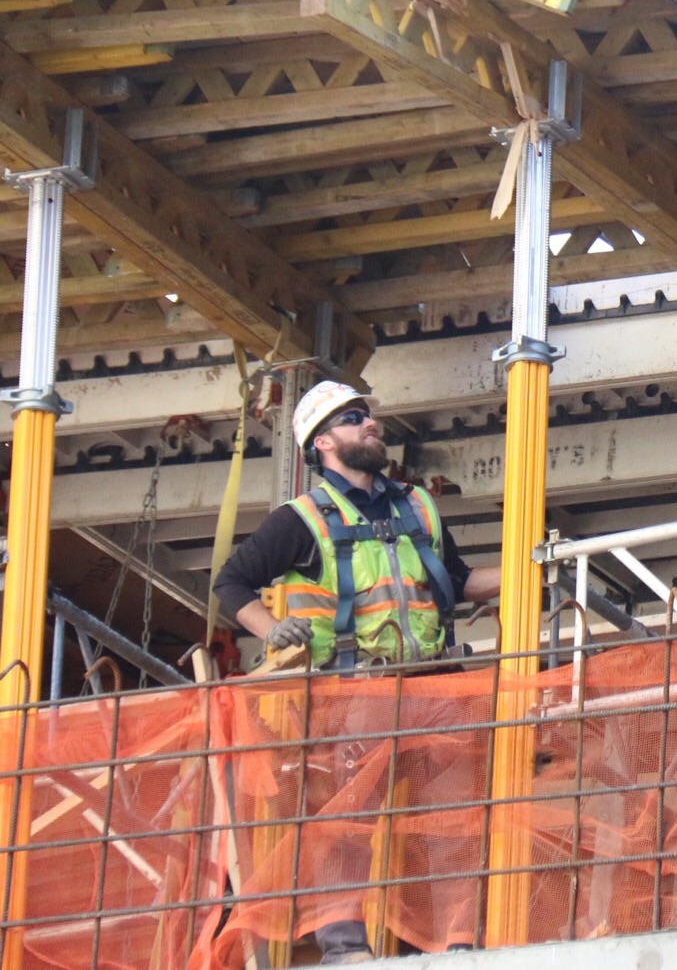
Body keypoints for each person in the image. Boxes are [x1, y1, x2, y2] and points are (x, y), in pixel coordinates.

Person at [214, 380, 502, 963]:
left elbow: (458, 579)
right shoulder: (298, 521)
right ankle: (346, 952)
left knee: (453, 823)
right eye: (352, 418)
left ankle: (455, 945)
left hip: (433, 687)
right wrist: (273, 631)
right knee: (345, 827)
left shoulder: (417, 505)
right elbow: (229, 585)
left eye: (367, 416)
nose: (369, 424)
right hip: (352, 696)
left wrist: (536, 564)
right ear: (322, 442)